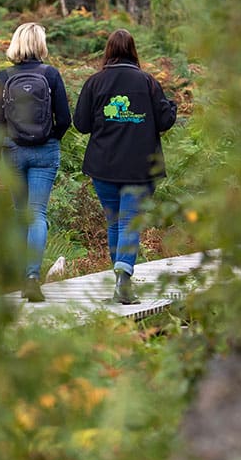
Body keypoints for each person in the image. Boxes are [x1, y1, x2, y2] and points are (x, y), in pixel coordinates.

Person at [74, 28, 178, 305]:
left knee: (114, 223)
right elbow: (165, 121)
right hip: (140, 168)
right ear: (133, 50)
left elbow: (81, 124)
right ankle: (123, 277)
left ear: (108, 50)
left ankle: (121, 276)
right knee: (129, 222)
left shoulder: (94, 83)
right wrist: (173, 106)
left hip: (103, 166)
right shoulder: (147, 82)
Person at [0, 22, 72, 303]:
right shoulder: (50, 74)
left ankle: (16, 277)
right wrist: (51, 138)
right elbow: (64, 119)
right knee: (37, 214)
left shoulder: (4, 75)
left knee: (20, 214)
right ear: (40, 44)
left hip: (13, 152)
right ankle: (31, 278)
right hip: (44, 152)